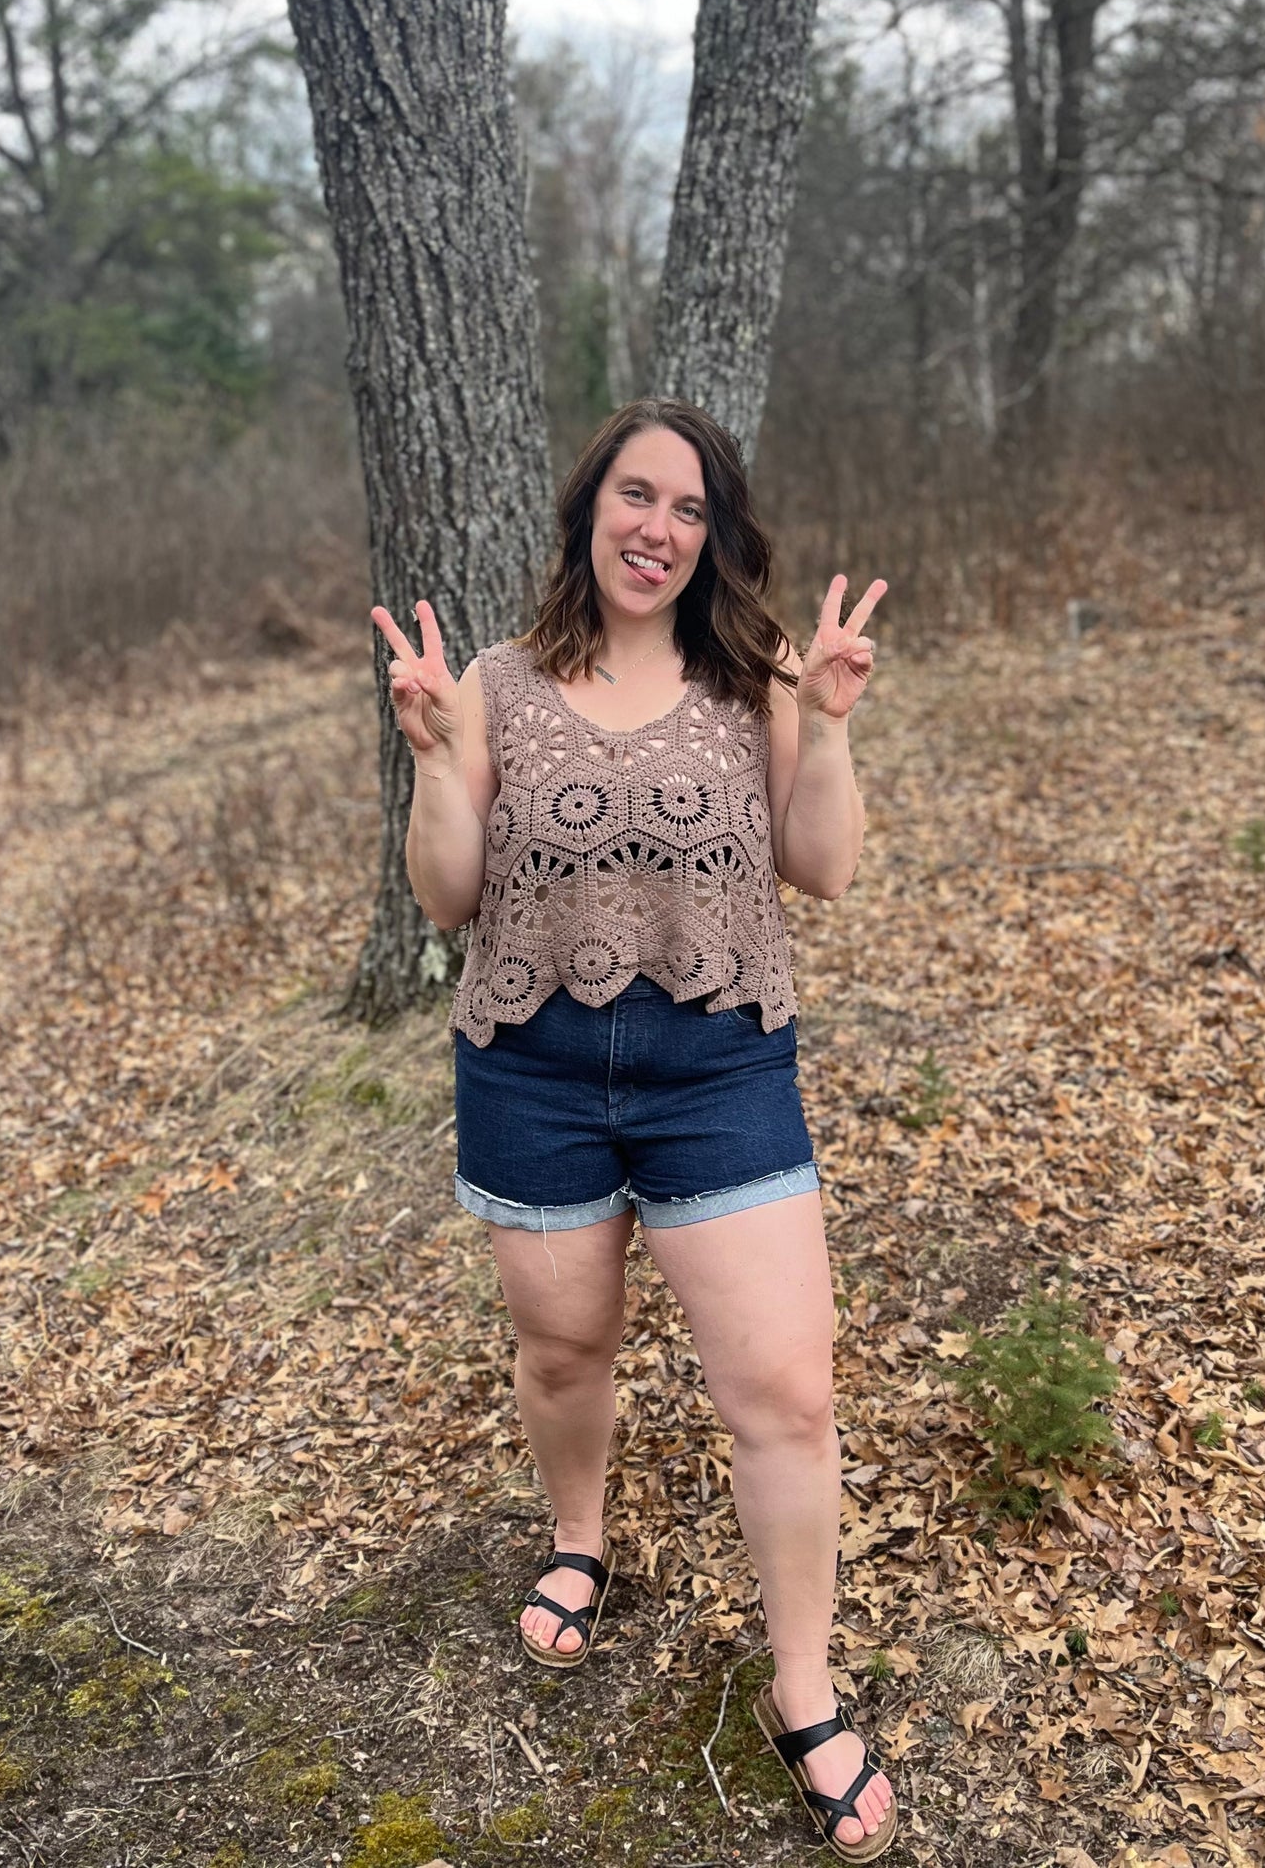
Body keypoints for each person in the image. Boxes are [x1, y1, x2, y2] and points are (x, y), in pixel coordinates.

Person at [371, 397, 897, 1861]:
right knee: (562, 1350)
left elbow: (824, 870)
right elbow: (447, 897)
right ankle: (579, 1537)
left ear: (713, 538)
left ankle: (800, 1685)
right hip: (530, 1073)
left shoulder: (758, 676)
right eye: (633, 496)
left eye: (687, 508)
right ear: (587, 510)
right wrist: (428, 758)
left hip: (717, 1066)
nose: (655, 528)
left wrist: (833, 730)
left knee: (785, 1393)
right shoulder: (492, 681)